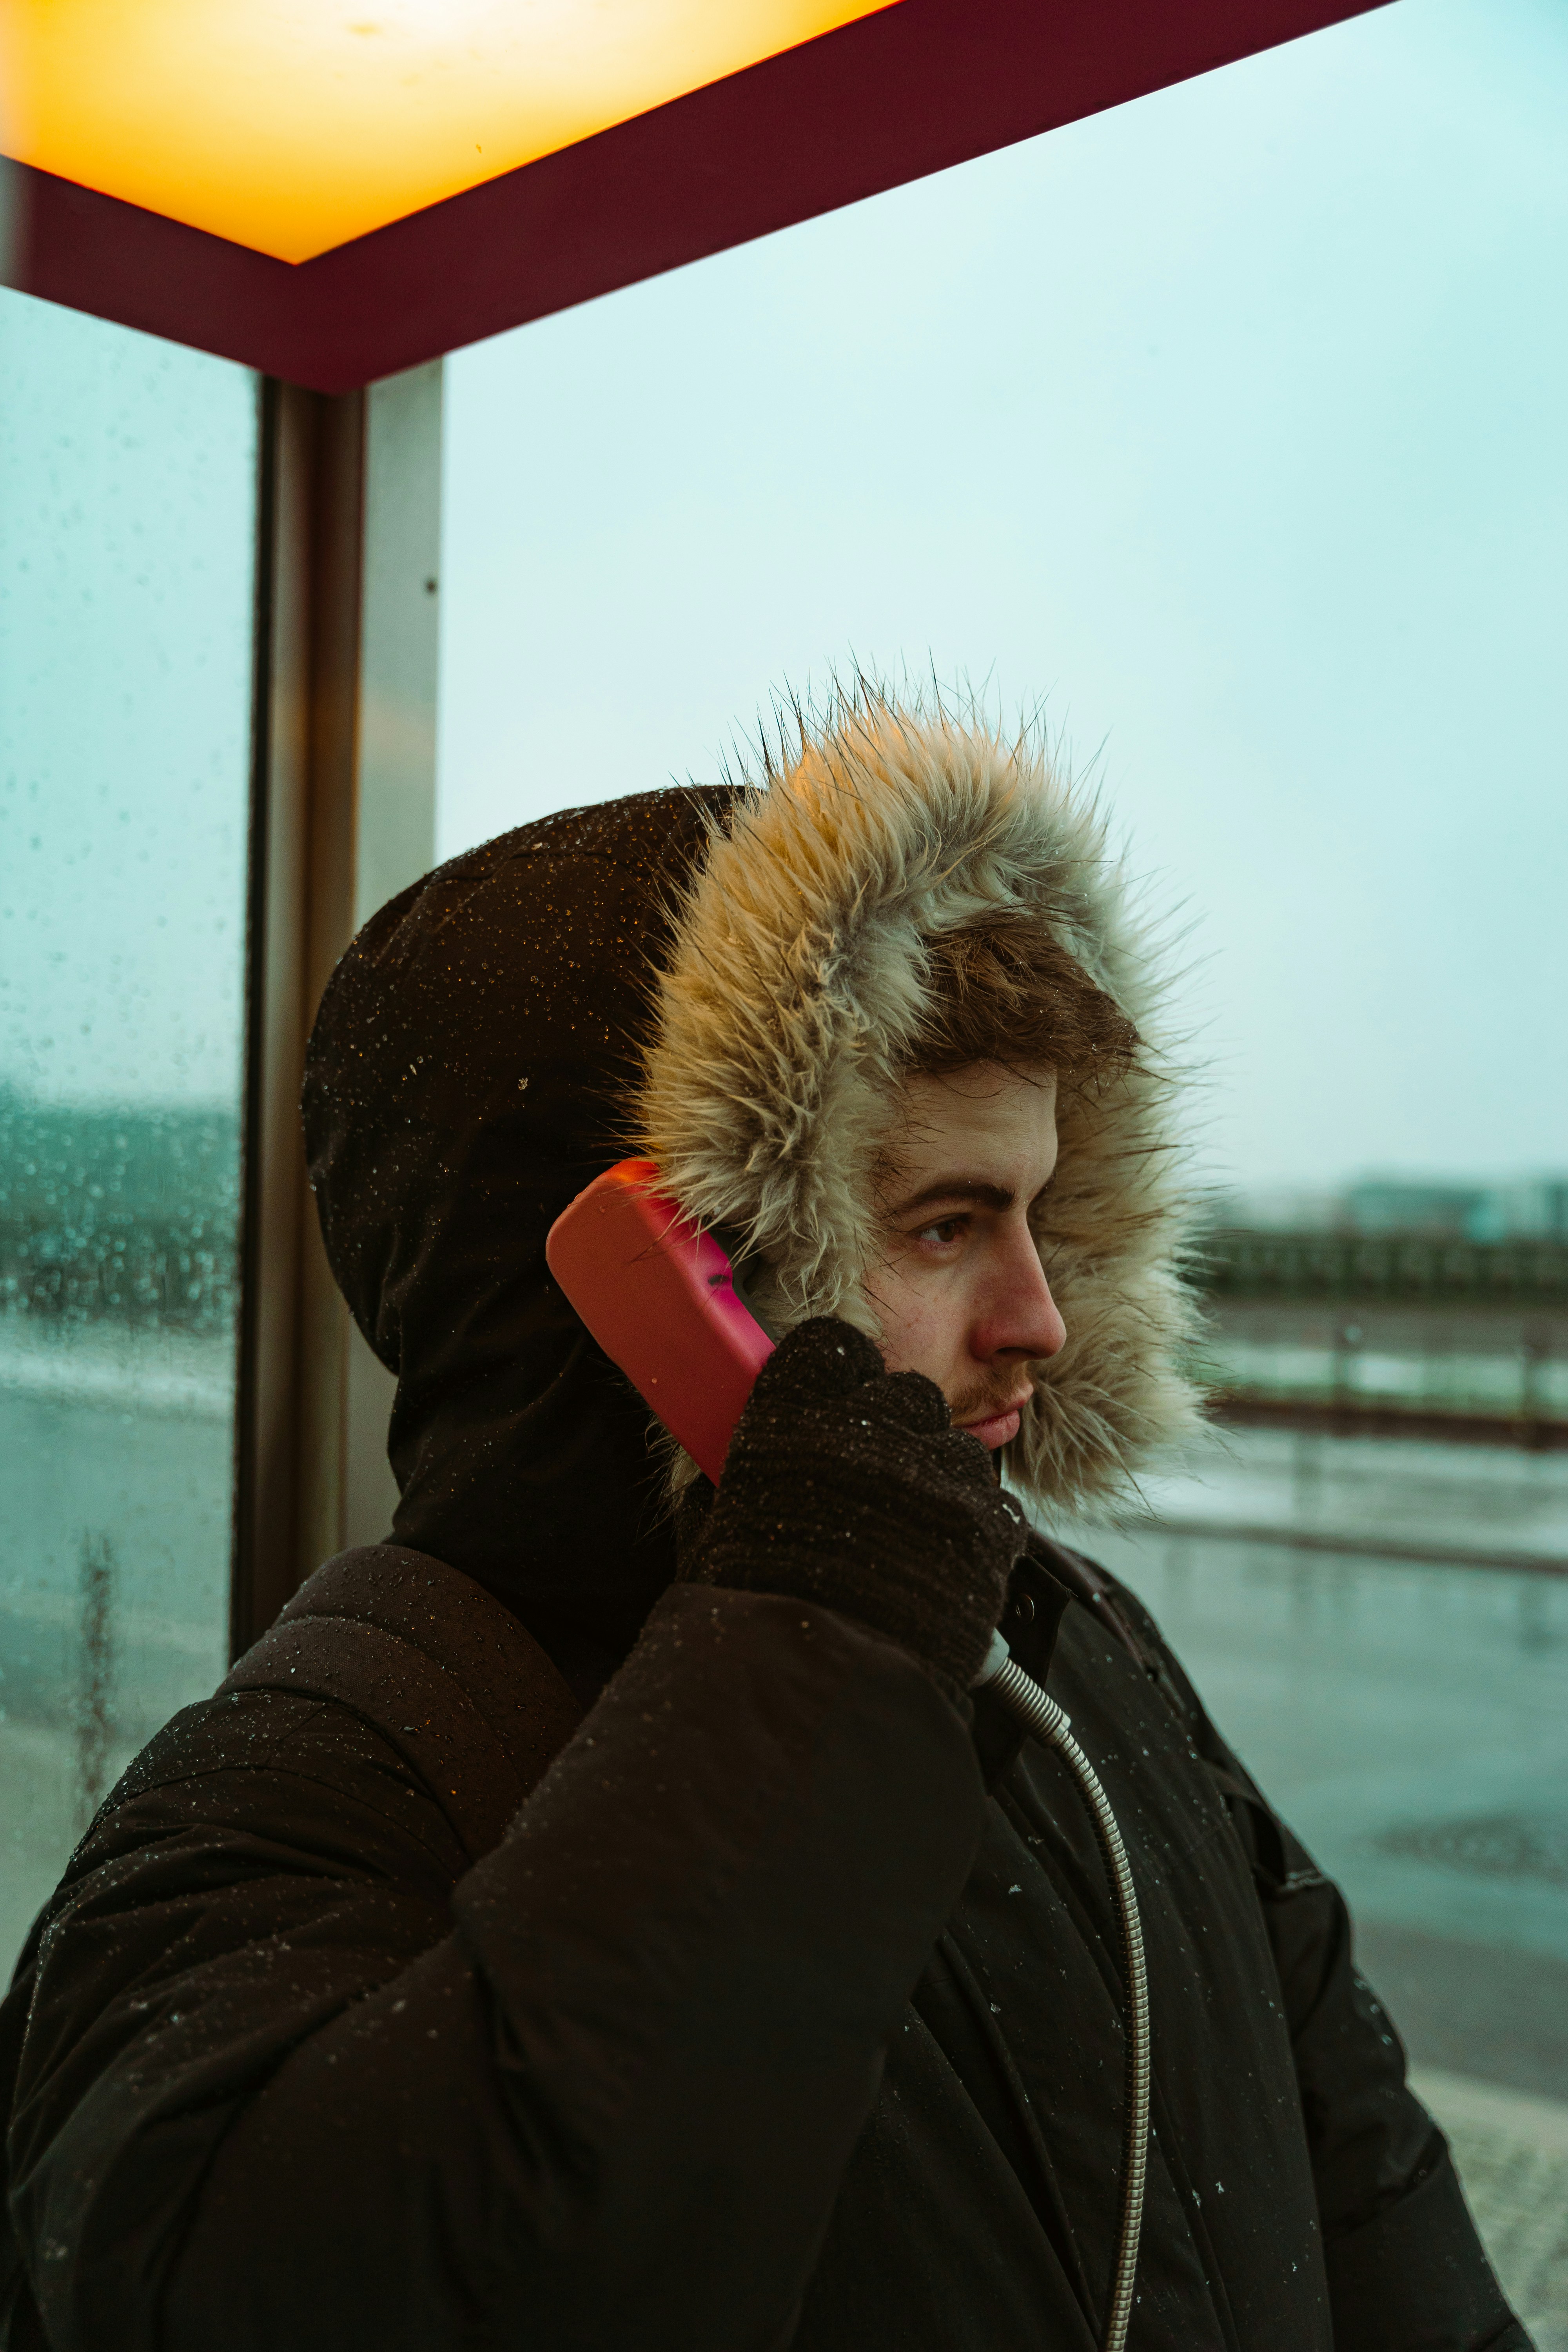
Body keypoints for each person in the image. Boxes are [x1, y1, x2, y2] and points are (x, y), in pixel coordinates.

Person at [0, 693, 1527, 2351]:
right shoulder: (294, 1802)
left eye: (1041, 1214)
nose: (1040, 1319)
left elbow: (1372, 2199)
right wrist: (823, 1638)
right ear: (662, 1274)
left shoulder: (1070, 1649)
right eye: (944, 1225)